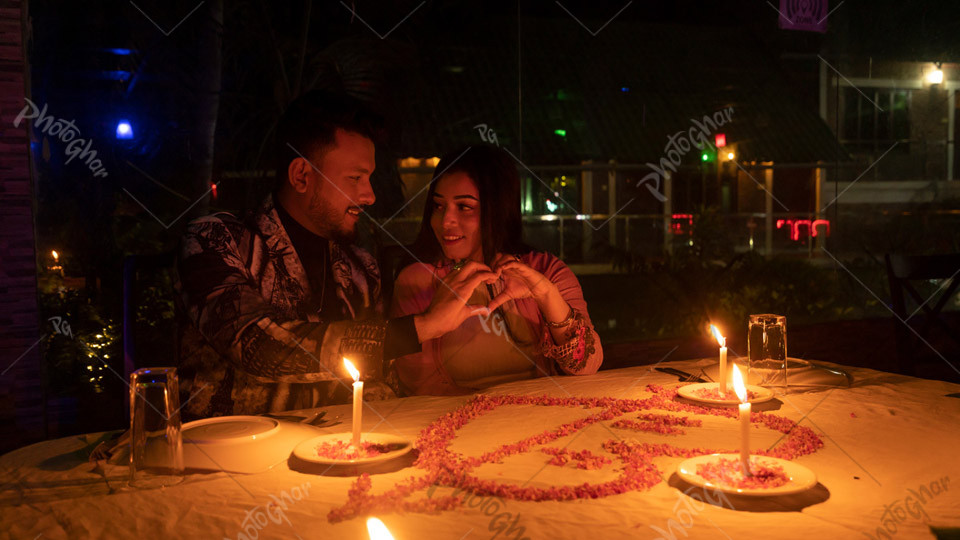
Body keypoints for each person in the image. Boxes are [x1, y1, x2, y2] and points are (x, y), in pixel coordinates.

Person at [174, 92, 499, 418]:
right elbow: (257, 346)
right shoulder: (216, 239)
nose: (369, 195)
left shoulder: (360, 268)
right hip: (227, 451)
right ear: (301, 175)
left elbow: (377, 383)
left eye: (369, 178)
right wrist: (422, 326)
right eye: (355, 178)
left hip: (338, 449)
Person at [389, 145, 603, 395]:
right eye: (438, 206)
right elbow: (420, 389)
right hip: (459, 426)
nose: (445, 221)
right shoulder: (418, 280)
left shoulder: (545, 270)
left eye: (464, 207)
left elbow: (587, 366)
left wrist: (546, 295)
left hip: (545, 417)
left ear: (497, 211)